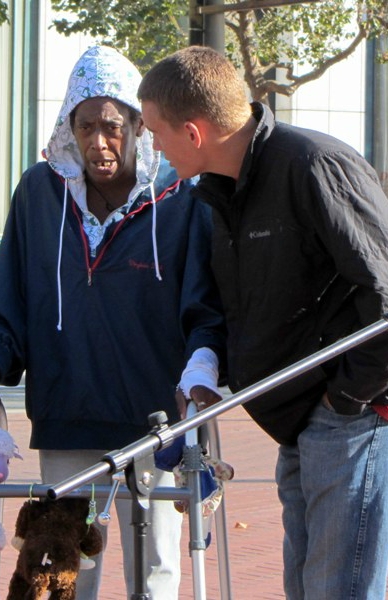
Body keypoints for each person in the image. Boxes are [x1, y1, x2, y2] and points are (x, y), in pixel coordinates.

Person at [0, 45, 226, 599]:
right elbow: (10, 296)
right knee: (66, 565)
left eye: (113, 126)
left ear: (140, 126)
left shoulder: (180, 198)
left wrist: (202, 369)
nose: (99, 142)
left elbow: (205, 307)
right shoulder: (39, 195)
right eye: (86, 125)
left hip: (156, 427)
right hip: (69, 420)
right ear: (69, 124)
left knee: (155, 570)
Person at [137, 45, 388, 600]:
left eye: (155, 130)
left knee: (337, 590)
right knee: (308, 589)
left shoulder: (313, 166)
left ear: (194, 132)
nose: (151, 145)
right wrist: (209, 366)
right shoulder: (220, 194)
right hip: (298, 423)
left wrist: (344, 400)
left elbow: (384, 294)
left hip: (348, 421)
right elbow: (253, 305)